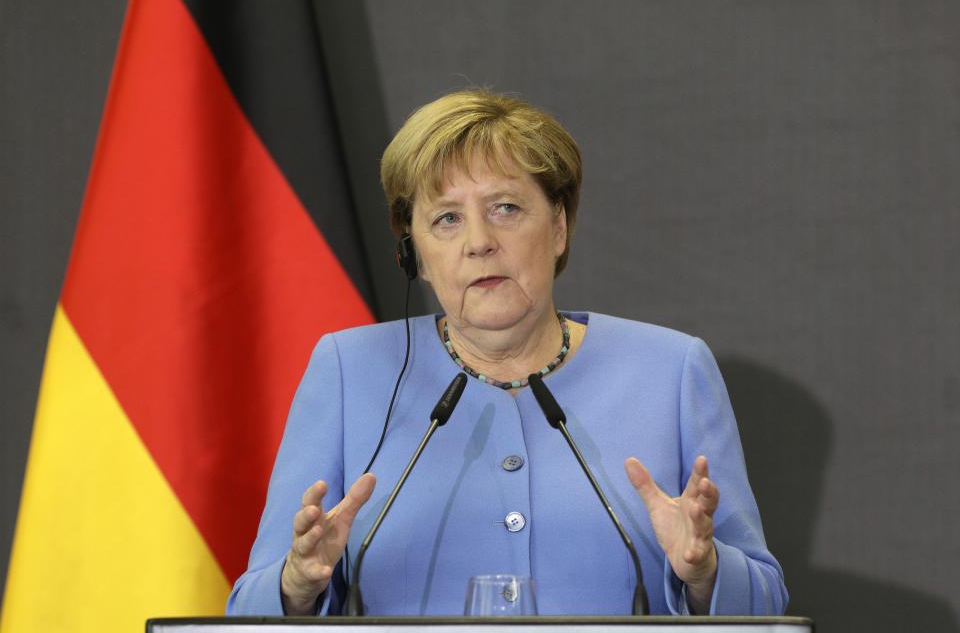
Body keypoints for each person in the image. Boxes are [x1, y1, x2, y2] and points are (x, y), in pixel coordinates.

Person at [227, 89, 788, 617]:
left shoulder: (671, 371)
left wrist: (706, 571)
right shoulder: (350, 371)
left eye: (505, 208)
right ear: (414, 254)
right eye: (447, 218)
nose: (478, 241)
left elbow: (766, 603)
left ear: (559, 226)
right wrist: (297, 584)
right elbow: (247, 609)